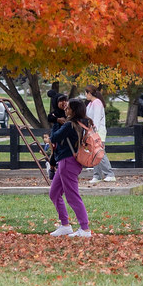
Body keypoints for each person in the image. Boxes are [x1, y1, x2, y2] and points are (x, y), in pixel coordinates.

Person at [47, 98, 92, 237]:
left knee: (72, 196)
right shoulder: (85, 123)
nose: (65, 110)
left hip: (68, 162)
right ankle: (65, 225)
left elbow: (53, 138)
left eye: (68, 108)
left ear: (74, 110)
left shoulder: (70, 125)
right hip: (71, 161)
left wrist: (56, 122)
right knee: (54, 193)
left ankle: (85, 229)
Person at [85, 85, 115, 184]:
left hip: (98, 132)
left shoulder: (97, 103)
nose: (85, 95)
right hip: (92, 132)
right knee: (94, 153)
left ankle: (109, 174)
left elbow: (96, 119)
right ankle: (97, 175)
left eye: (86, 93)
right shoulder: (90, 104)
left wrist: (94, 133)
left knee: (100, 152)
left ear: (89, 93)